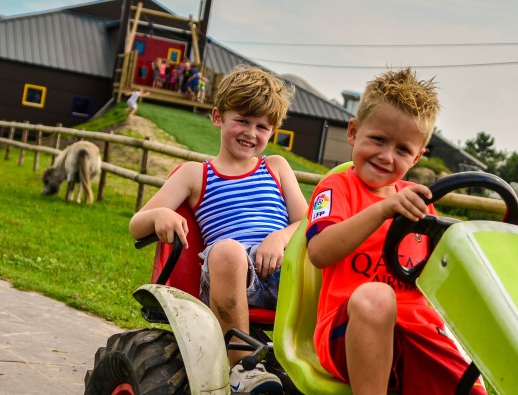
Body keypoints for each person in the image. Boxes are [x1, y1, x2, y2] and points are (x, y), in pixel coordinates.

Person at [305, 68, 486, 395]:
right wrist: (383, 209)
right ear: (353, 132)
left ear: (417, 156)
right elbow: (319, 252)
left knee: (469, 387)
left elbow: (446, 274)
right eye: (378, 140)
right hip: (347, 335)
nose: (387, 156)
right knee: (375, 297)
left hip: (417, 333)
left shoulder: (422, 204)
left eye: (403, 150)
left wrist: (491, 242)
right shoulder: (338, 187)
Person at [129, 65, 305, 394]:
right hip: (231, 273)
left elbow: (308, 223)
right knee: (228, 252)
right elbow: (136, 225)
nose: (251, 133)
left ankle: (323, 362)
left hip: (283, 267)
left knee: (327, 261)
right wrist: (160, 216)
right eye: (242, 120)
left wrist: (279, 238)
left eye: (262, 126)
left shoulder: (276, 167)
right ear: (217, 117)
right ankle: (242, 369)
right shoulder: (196, 174)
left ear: (272, 131)